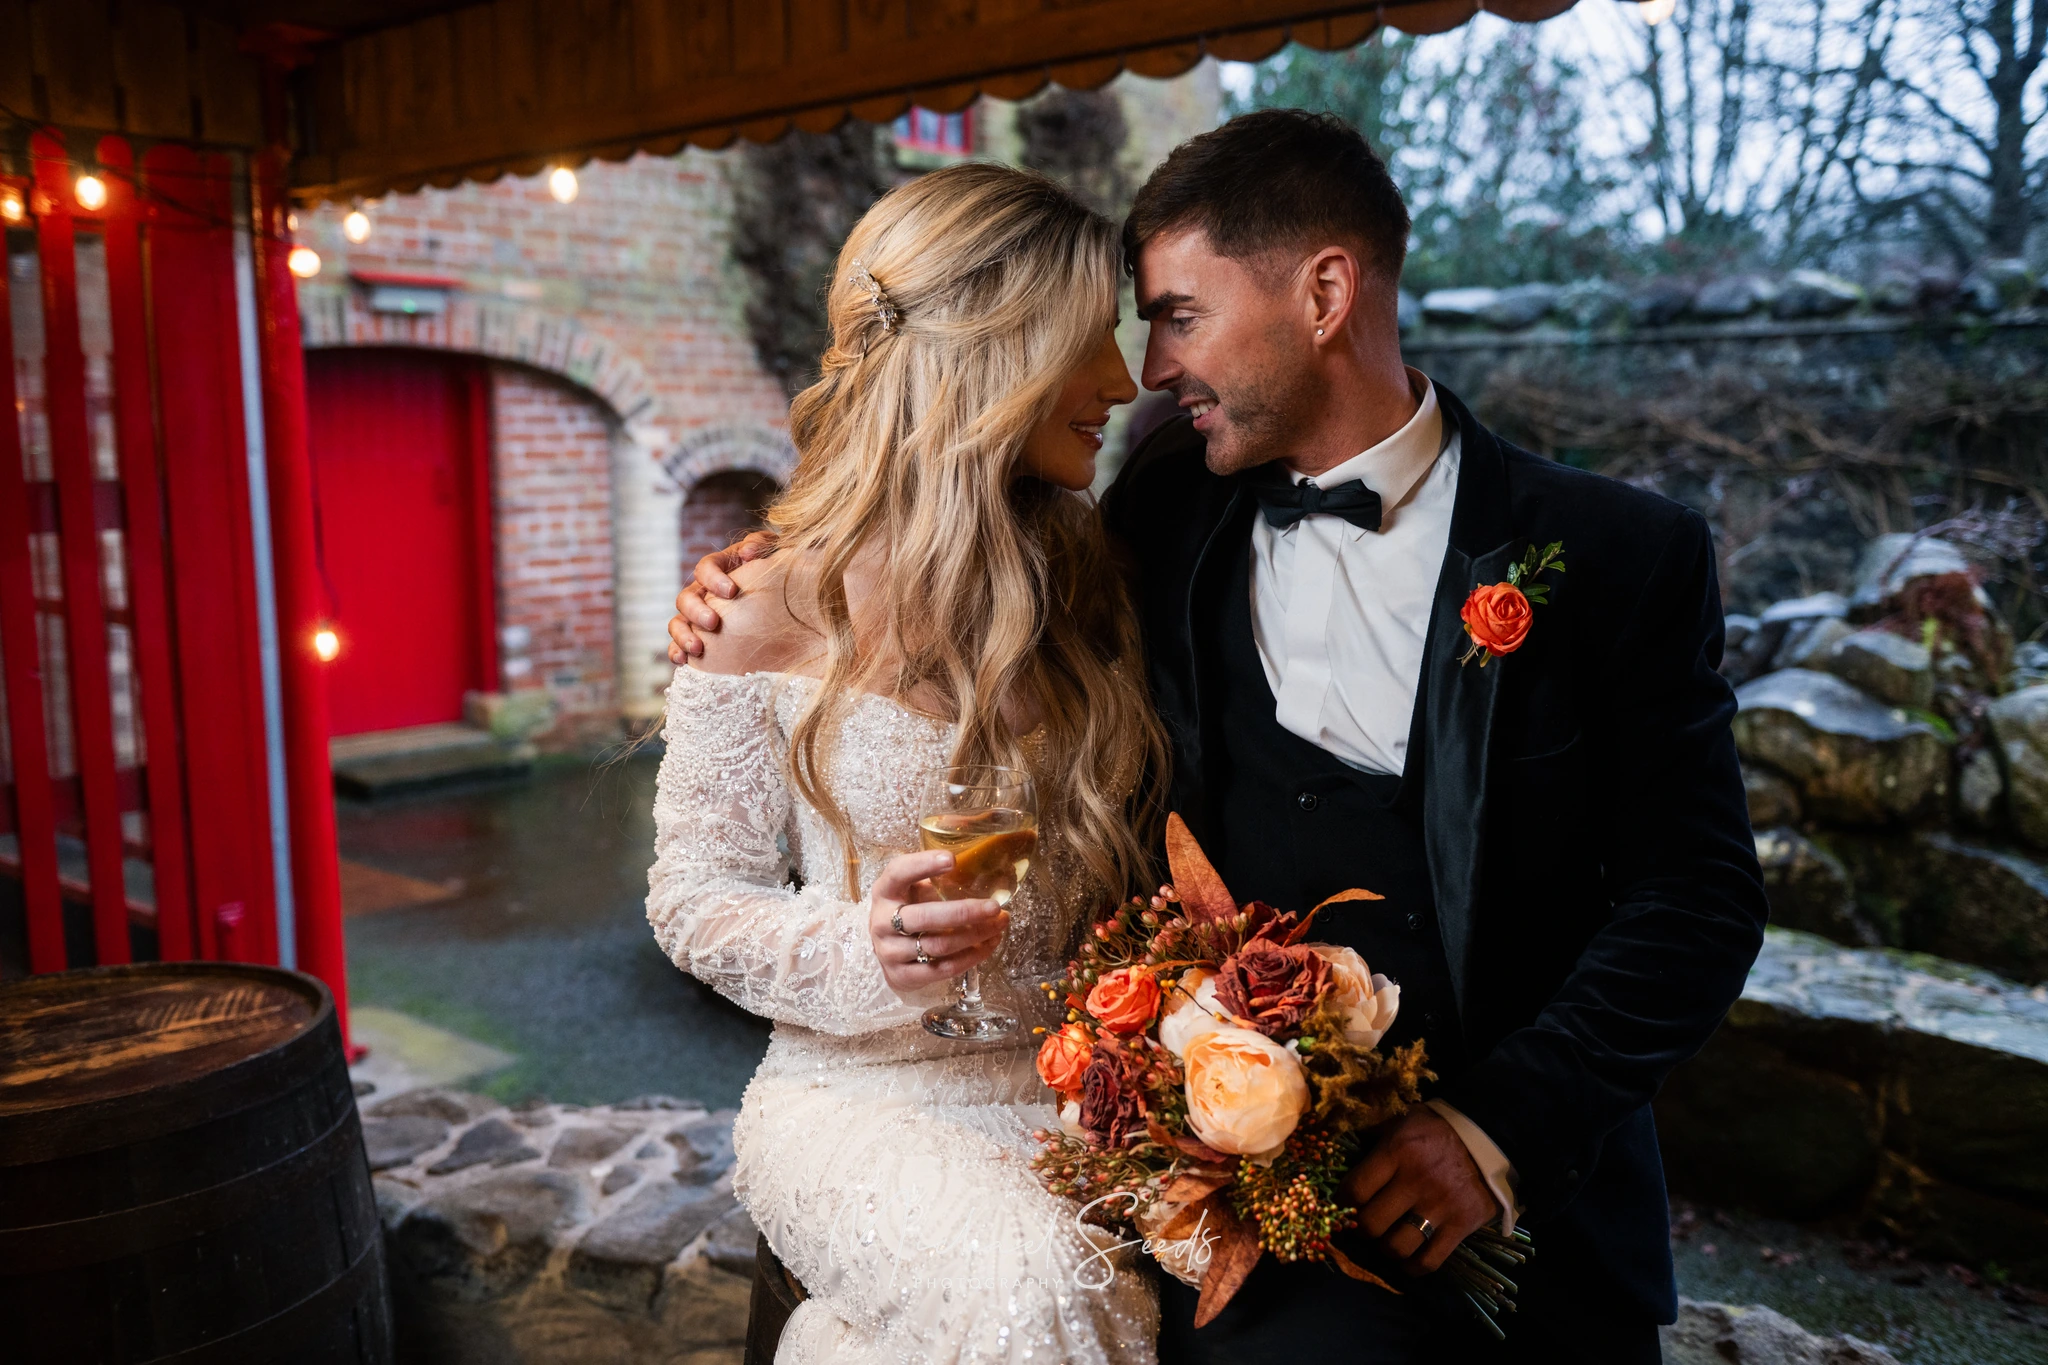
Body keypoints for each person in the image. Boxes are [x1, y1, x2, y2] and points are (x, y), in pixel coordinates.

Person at [674, 111, 1768, 1363]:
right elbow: (934, 555)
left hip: (1526, 1206)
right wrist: (766, 577)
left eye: (1177, 315)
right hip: (1228, 1197)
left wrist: (1495, 1130)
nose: (1146, 369)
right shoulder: (1160, 509)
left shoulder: (1619, 558)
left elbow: (1696, 899)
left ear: (1322, 292)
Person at [645, 162, 1170, 1365]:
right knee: (1042, 1292)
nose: (1123, 382)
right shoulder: (757, 607)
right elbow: (689, 899)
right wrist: (857, 949)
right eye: (1091, 339)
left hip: (1081, 1097)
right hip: (854, 1099)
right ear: (992, 355)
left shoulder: (1100, 582)